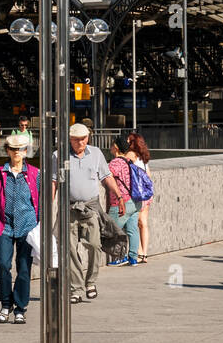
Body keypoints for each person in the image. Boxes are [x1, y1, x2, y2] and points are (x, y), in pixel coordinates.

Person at [54, 123, 125, 303]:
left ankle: (91, 282)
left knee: (94, 245)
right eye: (76, 140)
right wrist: (47, 205)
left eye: (84, 139)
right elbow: (54, 182)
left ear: (88, 138)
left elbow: (106, 177)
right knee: (69, 249)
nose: (80, 143)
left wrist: (119, 196)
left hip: (90, 207)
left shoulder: (95, 154)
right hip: (68, 208)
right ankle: (76, 288)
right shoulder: (58, 155)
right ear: (70, 139)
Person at [0, 131, 39, 323]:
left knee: (24, 268)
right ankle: (5, 304)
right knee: (4, 266)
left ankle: (20, 307)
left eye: (21, 150)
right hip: (4, 226)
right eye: (13, 149)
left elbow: (41, 202)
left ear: (26, 152)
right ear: (7, 151)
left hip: (28, 226)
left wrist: (41, 228)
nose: (17, 153)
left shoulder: (34, 174)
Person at [105, 136, 143, 267]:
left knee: (112, 230)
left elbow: (105, 177)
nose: (110, 147)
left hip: (121, 202)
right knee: (132, 230)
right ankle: (133, 258)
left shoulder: (115, 163)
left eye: (111, 145)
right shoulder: (129, 161)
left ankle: (120, 257)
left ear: (115, 147)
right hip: (134, 201)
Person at [126, 131, 153, 263]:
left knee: (135, 223)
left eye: (128, 141)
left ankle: (139, 252)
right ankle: (145, 253)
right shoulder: (144, 157)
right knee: (144, 223)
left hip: (136, 194)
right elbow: (149, 175)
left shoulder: (131, 155)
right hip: (146, 194)